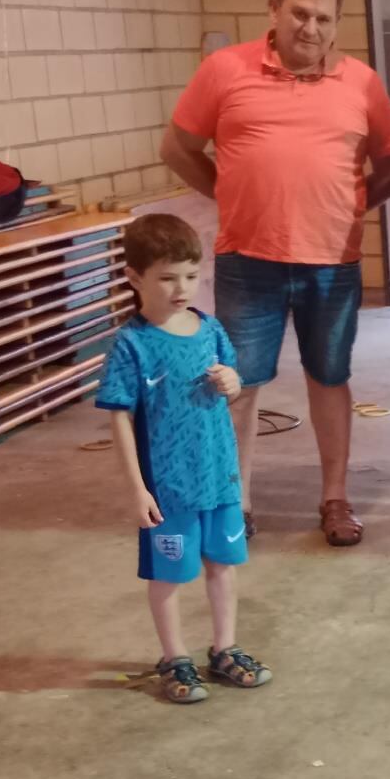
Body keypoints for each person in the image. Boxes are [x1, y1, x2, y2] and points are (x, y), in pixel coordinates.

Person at [161, 0, 390, 549]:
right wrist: (228, 188)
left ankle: (335, 498)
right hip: (250, 259)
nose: (310, 28)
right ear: (273, 9)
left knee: (330, 378)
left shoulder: (362, 83)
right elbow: (177, 147)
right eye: (299, 13)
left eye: (323, 19)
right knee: (237, 383)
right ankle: (235, 499)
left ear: (337, 25)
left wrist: (353, 203)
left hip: (333, 263)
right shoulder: (225, 70)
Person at [96, 214, 271, 704]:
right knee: (169, 575)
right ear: (134, 278)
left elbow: (232, 383)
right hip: (168, 489)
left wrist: (232, 384)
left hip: (220, 480)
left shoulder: (210, 329)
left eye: (191, 276)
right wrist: (137, 488)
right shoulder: (132, 344)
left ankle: (225, 647)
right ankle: (174, 657)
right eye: (167, 277)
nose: (181, 288)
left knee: (224, 564)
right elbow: (119, 419)